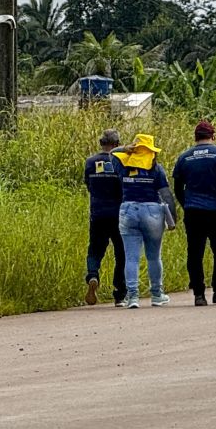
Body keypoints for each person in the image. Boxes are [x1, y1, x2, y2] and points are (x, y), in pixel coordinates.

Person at [172, 120, 216, 306]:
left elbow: (177, 186)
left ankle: (199, 295)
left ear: (195, 137)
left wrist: (186, 204)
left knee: (195, 252)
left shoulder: (184, 157)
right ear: (213, 136)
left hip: (193, 211)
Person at [112, 133, 177, 308]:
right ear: (152, 151)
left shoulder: (123, 165)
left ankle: (132, 297)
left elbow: (111, 153)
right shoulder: (156, 169)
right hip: (152, 210)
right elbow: (165, 194)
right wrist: (173, 217)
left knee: (131, 258)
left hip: (128, 209)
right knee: (154, 256)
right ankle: (156, 294)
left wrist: (125, 148)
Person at [83, 129, 128, 308]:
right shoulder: (120, 161)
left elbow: (89, 185)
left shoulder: (90, 162)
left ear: (101, 143)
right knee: (121, 254)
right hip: (118, 214)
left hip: (97, 213)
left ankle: (93, 275)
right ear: (117, 144)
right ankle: (119, 294)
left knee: (94, 250)